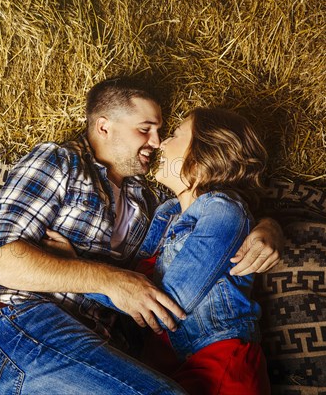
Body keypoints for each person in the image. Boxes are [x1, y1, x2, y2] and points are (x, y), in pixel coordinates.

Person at [0, 77, 282, 394]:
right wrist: (109, 280)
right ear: (104, 127)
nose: (156, 142)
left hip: (99, 351)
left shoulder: (149, 205)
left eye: (163, 132)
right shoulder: (61, 161)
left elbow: (216, 213)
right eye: (145, 129)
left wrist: (269, 226)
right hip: (18, 324)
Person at [84, 107, 272, 393]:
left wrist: (74, 271)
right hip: (164, 367)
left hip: (218, 362)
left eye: (174, 135)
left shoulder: (224, 211)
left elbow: (164, 304)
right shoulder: (166, 212)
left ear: (202, 157)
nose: (161, 143)